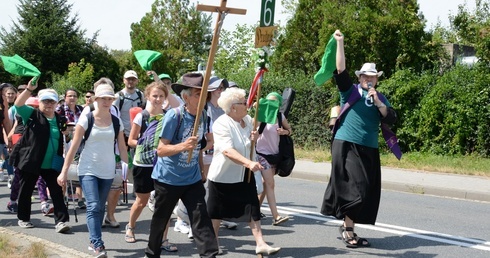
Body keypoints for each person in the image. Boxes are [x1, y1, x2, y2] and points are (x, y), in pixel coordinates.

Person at [320, 30, 397, 248]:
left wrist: (379, 103)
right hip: (346, 144)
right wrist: (340, 43)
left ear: (377, 79)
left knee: (365, 191)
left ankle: (348, 225)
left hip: (369, 148)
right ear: (359, 78)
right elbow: (340, 69)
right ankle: (348, 229)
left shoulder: (380, 98)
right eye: (365, 76)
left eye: (372, 77)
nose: (368, 79)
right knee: (356, 189)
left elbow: (391, 118)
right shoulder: (350, 92)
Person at [144, 73, 219, 258]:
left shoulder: (203, 114)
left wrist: (201, 161)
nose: (203, 99)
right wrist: (183, 146)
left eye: (205, 95)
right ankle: (151, 253)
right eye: (197, 94)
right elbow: (161, 149)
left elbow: (205, 143)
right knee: (160, 221)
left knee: (201, 220)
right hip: (168, 178)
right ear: (185, 97)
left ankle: (209, 255)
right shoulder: (174, 115)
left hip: (192, 178)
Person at [206, 87, 281, 257]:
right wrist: (248, 162)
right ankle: (213, 242)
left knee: (252, 208)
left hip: (244, 175)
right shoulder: (221, 123)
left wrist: (253, 138)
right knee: (216, 212)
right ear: (233, 107)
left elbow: (249, 138)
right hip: (223, 177)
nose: (247, 104)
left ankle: (260, 243)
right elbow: (227, 150)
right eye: (243, 102)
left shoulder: (247, 119)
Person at [58, 83, 129, 258]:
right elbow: (73, 147)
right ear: (96, 99)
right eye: (103, 98)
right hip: (88, 168)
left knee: (99, 208)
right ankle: (97, 243)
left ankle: (93, 240)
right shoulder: (86, 118)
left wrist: (125, 169)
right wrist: (64, 171)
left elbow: (122, 146)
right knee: (94, 205)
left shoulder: (116, 121)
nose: (107, 101)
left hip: (108, 169)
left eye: (110, 98)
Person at [10, 80, 70, 233]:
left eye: (52, 101)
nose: (49, 104)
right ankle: (23, 218)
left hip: (52, 162)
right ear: (39, 102)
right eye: (45, 101)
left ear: (56, 103)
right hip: (31, 160)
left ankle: (61, 221)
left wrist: (67, 134)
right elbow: (18, 104)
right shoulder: (32, 114)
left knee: (56, 191)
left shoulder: (59, 119)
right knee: (26, 190)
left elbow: (63, 138)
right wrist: (29, 89)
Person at [125, 81, 177, 252]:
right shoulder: (142, 116)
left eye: (161, 96)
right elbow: (130, 140)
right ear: (148, 96)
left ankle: (164, 239)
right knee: (142, 201)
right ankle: (131, 227)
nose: (158, 99)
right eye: (154, 95)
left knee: (165, 203)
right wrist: (143, 143)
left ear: (165, 98)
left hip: (163, 164)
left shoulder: (169, 115)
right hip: (143, 164)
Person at [255, 92, 292, 226]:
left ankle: (255, 209)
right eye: (269, 101)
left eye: (274, 102)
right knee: (270, 183)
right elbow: (251, 129)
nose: (271, 104)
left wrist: (284, 132)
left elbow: (290, 130)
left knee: (266, 184)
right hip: (261, 154)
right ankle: (275, 216)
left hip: (275, 154)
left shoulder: (280, 116)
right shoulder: (261, 115)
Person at [56, 88, 85, 209]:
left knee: (78, 166)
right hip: (64, 140)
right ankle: (62, 197)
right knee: (65, 168)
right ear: (65, 97)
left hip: (79, 141)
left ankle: (78, 197)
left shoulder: (81, 109)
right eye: (70, 96)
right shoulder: (59, 110)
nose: (72, 98)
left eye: (74, 96)